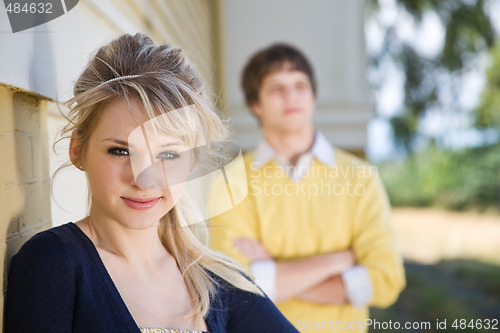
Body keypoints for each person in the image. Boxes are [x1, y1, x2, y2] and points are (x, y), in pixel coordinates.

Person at [4, 33, 299, 333]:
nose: (144, 179)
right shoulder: (52, 265)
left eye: (168, 154)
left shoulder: (219, 280)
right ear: (77, 149)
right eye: (120, 151)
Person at [209, 43, 406, 333]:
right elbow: (236, 286)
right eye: (276, 87)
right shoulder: (230, 181)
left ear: (313, 96)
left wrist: (272, 270)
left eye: (300, 84)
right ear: (256, 105)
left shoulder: (360, 177)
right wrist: (339, 260)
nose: (291, 95)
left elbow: (386, 281)